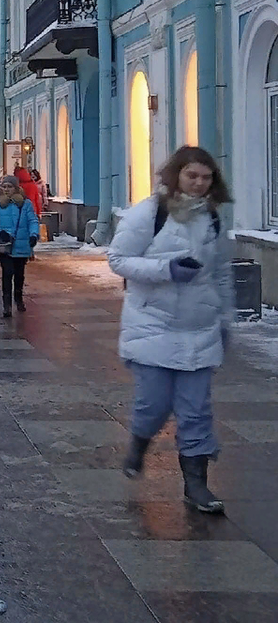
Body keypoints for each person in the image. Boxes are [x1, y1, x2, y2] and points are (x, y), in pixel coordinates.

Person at [107, 146, 233, 514]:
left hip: (200, 329)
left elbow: (222, 273)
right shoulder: (151, 212)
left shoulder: (212, 217)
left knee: (196, 411)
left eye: (206, 177)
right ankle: (139, 443)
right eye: (192, 175)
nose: (198, 183)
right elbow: (117, 259)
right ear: (176, 174)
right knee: (155, 405)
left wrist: (225, 319)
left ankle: (196, 486)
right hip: (152, 327)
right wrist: (167, 270)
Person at [0, 175, 40, 317]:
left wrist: (34, 235)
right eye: (4, 186)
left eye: (10, 186)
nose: (7, 189)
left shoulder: (25, 204)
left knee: (19, 274)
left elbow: (33, 220)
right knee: (7, 273)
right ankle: (6, 304)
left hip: (22, 244)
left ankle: (18, 298)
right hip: (5, 245)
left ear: (16, 188)